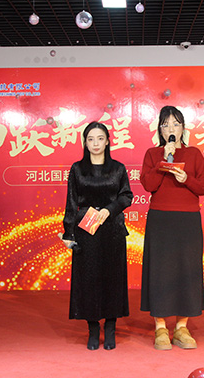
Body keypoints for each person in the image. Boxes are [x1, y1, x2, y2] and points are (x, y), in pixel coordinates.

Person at [140, 105, 204, 350]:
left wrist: (186, 179)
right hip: (160, 220)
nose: (171, 128)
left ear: (183, 128)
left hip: (187, 220)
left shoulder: (194, 154)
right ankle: (160, 327)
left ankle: (182, 328)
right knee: (160, 271)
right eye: (166, 124)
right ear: (160, 130)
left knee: (186, 271)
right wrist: (164, 161)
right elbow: (149, 185)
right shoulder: (153, 154)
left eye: (175, 124)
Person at [61, 121, 133, 350]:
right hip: (86, 231)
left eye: (100, 138)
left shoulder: (118, 168)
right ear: (85, 142)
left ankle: (110, 328)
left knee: (113, 279)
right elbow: (71, 202)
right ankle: (93, 329)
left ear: (108, 141)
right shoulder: (77, 169)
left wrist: (109, 210)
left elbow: (126, 196)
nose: (95, 143)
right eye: (90, 139)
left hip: (112, 229)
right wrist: (69, 232)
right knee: (88, 280)